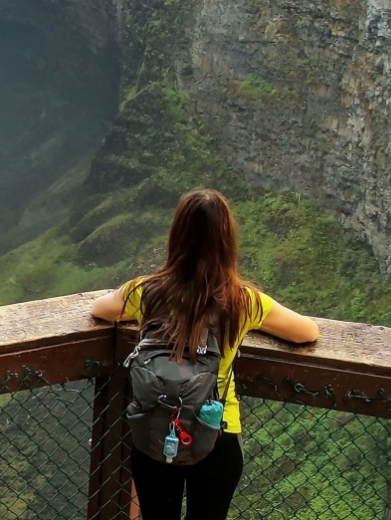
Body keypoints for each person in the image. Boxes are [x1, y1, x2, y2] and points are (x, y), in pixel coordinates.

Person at [89, 189, 320, 520]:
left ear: (176, 235)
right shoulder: (243, 302)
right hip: (218, 431)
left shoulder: (148, 292)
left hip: (156, 428)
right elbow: (307, 332)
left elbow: (100, 309)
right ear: (227, 241)